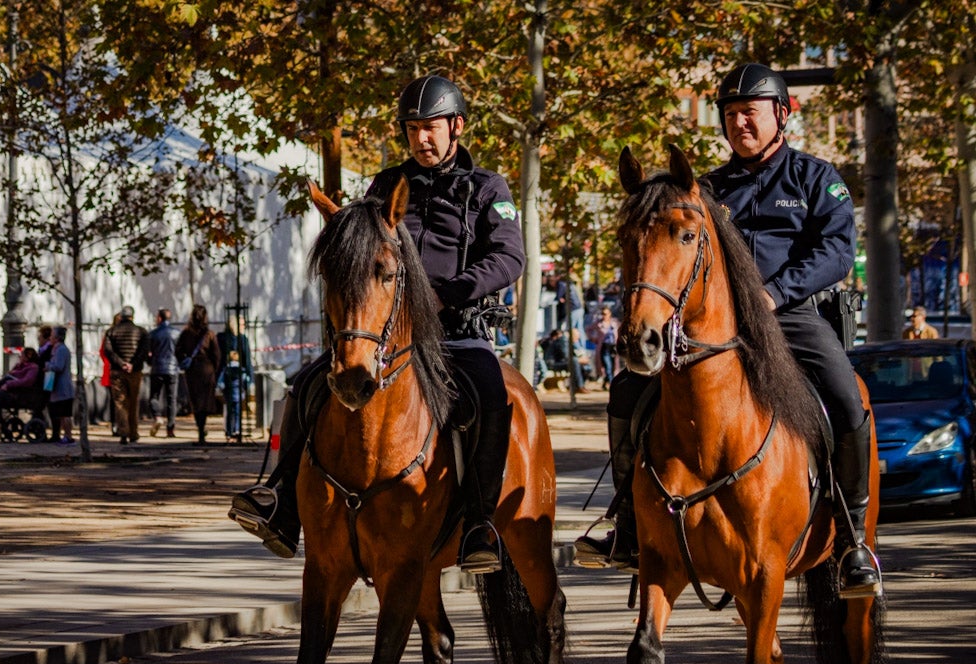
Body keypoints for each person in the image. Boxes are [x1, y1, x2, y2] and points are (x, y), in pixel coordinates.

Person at [574, 63, 881, 599]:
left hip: (789, 316)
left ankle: (854, 538)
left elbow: (836, 253)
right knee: (626, 390)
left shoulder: (817, 178)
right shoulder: (704, 190)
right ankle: (627, 524)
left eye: (751, 113)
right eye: (731, 114)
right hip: (714, 327)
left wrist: (773, 293)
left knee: (845, 397)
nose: (740, 123)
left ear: (781, 116)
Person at [230, 75, 525, 575]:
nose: (421, 139)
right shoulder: (386, 185)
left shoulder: (487, 187)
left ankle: (479, 523)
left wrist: (447, 293)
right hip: (386, 332)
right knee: (305, 386)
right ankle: (281, 501)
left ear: (456, 126)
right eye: (412, 130)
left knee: (491, 395)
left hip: (456, 329)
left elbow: (510, 256)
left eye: (430, 128)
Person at [175, 304, 221, 444]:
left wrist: (184, 362)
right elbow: (216, 355)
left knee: (195, 401)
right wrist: (215, 370)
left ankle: (200, 428)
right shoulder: (210, 334)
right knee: (205, 402)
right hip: (207, 371)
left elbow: (177, 351)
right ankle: (202, 429)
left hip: (192, 372)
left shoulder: (186, 333)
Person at [102, 306, 149, 444]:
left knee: (120, 403)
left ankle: (123, 432)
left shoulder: (111, 331)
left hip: (117, 372)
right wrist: (132, 364)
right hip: (135, 372)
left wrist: (121, 363)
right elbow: (144, 351)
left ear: (121, 316)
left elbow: (108, 351)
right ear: (132, 316)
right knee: (133, 401)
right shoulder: (141, 332)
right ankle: (133, 433)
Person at [0, 348, 40, 436]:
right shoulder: (19, 366)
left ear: (27, 357)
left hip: (19, 395)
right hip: (9, 392)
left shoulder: (33, 368)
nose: (20, 356)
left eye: (22, 355)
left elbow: (26, 381)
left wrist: (8, 384)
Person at [217, 318, 253, 441]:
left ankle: (230, 430)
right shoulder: (241, 340)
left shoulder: (222, 338)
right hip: (234, 382)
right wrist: (250, 379)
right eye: (242, 324)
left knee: (229, 408)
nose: (244, 326)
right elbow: (247, 361)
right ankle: (235, 430)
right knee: (235, 409)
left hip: (228, 382)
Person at [148, 308, 180, 438]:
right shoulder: (177, 333)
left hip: (157, 368)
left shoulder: (153, 334)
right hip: (173, 369)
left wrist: (151, 362)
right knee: (172, 399)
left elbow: (148, 352)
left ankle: (157, 416)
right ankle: (170, 428)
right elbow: (180, 350)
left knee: (154, 396)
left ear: (159, 318)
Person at [44, 327, 74, 444]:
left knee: (65, 414)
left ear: (57, 338)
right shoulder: (57, 349)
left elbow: (59, 366)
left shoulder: (61, 350)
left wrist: (48, 366)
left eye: (52, 335)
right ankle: (66, 436)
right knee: (62, 414)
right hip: (59, 388)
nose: (50, 338)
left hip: (63, 388)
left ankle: (69, 436)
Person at [587, 305, 619, 388]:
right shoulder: (598, 323)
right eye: (603, 314)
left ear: (610, 314)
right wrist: (593, 339)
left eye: (606, 314)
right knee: (607, 366)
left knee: (613, 366)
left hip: (613, 347)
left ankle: (606, 382)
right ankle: (612, 384)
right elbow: (588, 329)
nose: (604, 316)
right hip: (604, 347)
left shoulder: (615, 322)